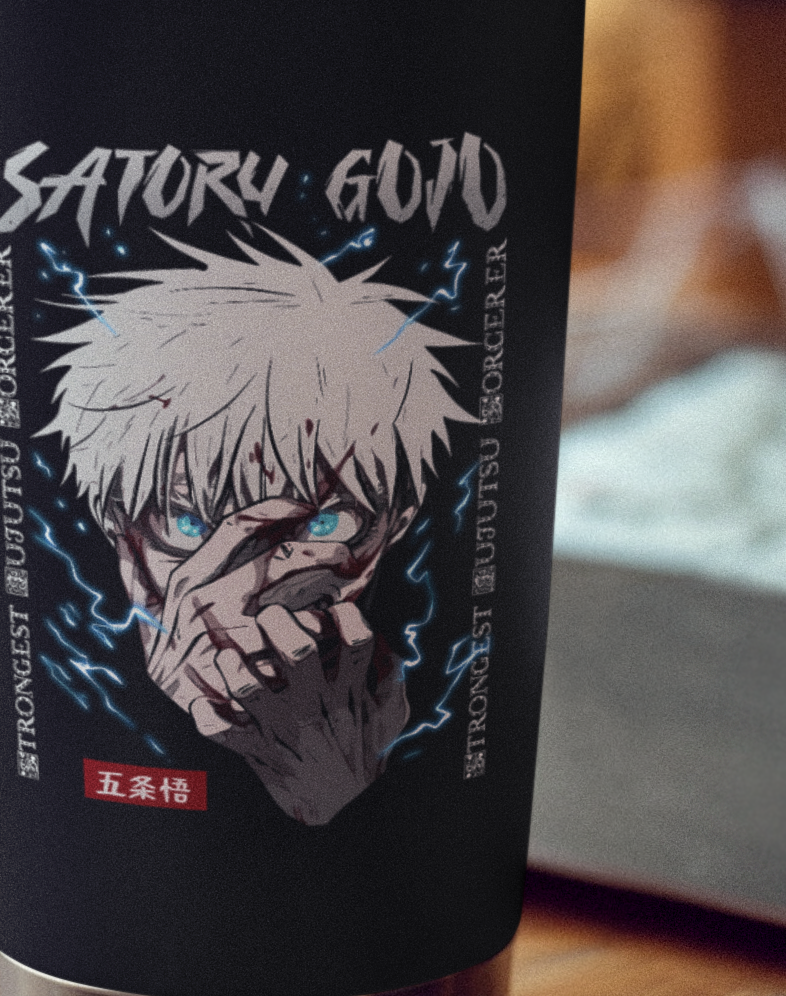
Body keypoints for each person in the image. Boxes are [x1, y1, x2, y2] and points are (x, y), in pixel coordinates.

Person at [42, 237, 467, 826]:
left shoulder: (424, 692)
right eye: (189, 523)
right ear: (119, 524)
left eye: (322, 523)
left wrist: (334, 780)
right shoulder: (69, 715)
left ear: (392, 526)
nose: (251, 580)